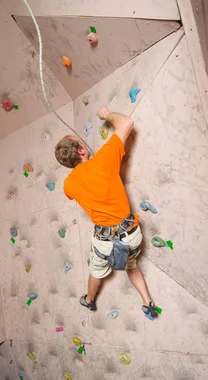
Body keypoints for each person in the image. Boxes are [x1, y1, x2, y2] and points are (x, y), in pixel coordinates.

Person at [54, 106, 158, 318]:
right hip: (131, 235)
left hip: (104, 242)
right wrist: (106, 115)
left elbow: (74, 193)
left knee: (96, 272)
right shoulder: (104, 159)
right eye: (81, 142)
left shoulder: (68, 185)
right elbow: (127, 123)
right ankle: (148, 302)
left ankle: (89, 300)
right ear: (82, 151)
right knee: (131, 264)